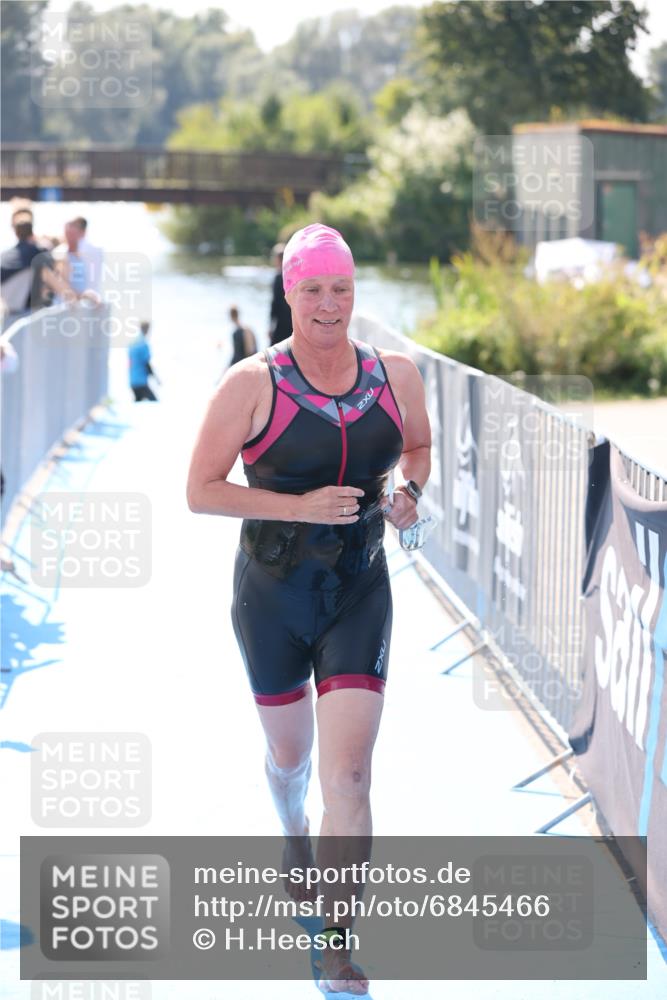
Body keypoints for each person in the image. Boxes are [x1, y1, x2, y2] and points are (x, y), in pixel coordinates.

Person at [187, 223, 431, 995]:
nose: (329, 304)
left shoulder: (396, 374)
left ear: (355, 291)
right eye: (313, 289)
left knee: (350, 777)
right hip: (272, 598)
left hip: (359, 589)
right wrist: (296, 507)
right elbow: (200, 491)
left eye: (342, 289)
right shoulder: (251, 383)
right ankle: (289, 830)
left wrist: (408, 494)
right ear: (289, 293)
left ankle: (335, 942)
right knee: (290, 761)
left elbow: (417, 450)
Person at [1, 213, 77, 326]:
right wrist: (71, 298)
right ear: (32, 233)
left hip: (6, 310)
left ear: (16, 233)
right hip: (23, 311)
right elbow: (50, 276)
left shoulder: (5, 256)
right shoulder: (37, 253)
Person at [128, 321, 160, 401]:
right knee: (154, 401)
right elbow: (146, 363)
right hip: (141, 381)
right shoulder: (143, 344)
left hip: (132, 380)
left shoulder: (132, 343)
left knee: (138, 402)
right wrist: (155, 377)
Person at [268, 242, 292, 345]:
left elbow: (275, 303)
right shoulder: (294, 276)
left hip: (281, 323)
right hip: (294, 321)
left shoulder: (278, 277)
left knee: (276, 355)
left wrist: (271, 325)